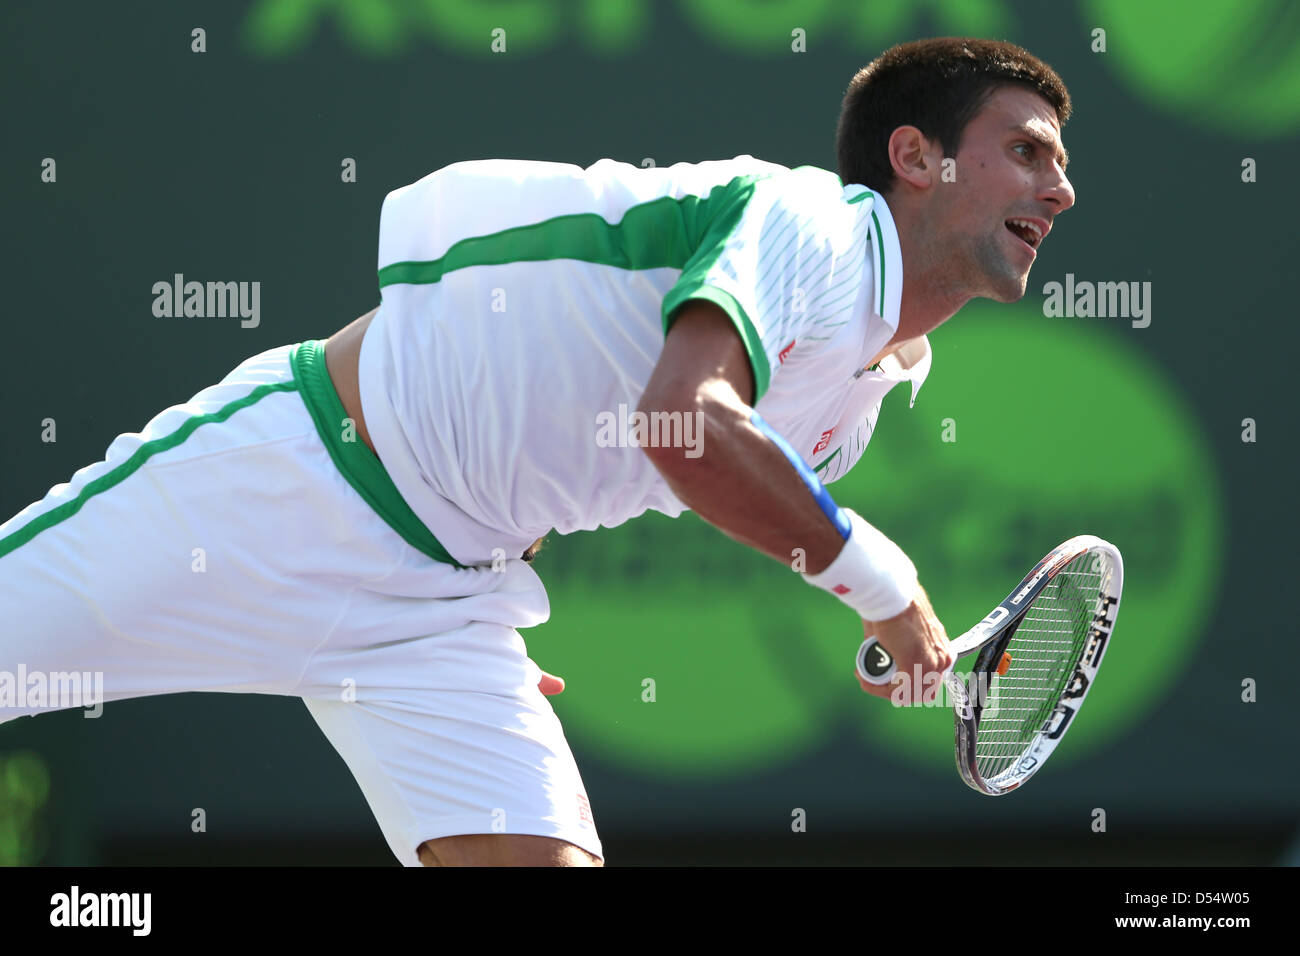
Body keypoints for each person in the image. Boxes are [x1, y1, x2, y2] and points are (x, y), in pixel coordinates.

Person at [0, 37, 1074, 867]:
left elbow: (616, 451)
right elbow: (679, 424)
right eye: (1025, 151)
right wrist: (879, 584)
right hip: (294, 477)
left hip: (442, 609)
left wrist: (488, 599)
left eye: (1059, 166)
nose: (1058, 190)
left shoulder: (862, 399)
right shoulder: (812, 223)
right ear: (914, 158)